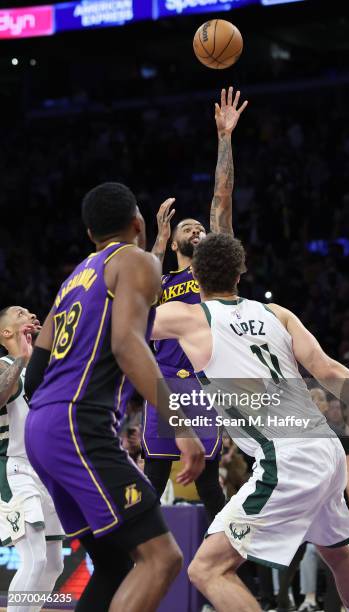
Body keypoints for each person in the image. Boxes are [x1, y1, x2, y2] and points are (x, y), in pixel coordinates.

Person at [151, 232, 349, 612]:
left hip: (285, 457)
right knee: (337, 551)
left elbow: (120, 325)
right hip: (326, 448)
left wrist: (153, 257)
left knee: (206, 570)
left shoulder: (189, 316)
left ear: (195, 278)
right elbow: (330, 370)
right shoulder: (277, 313)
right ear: (241, 272)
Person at [23, 182, 205, 612]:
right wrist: (181, 425)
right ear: (137, 223)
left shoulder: (73, 278)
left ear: (90, 234)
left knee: (115, 564)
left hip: (42, 428)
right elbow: (127, 345)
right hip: (77, 422)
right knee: (162, 558)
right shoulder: (135, 260)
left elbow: (35, 372)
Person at [144, 86, 248, 522]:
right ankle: (133, 559)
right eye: (186, 227)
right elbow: (141, 292)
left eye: (197, 227)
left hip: (198, 382)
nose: (195, 228)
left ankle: (224, 564)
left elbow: (220, 201)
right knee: (151, 478)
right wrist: (161, 240)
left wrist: (224, 138)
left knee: (206, 481)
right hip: (159, 384)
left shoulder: (208, 273)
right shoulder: (162, 275)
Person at [0, 306, 64, 612]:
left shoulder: (43, 368)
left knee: (54, 565)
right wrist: (24, 356)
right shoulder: (4, 364)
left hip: (46, 471)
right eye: (19, 312)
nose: (27, 314)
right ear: (6, 332)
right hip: (13, 468)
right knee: (35, 558)